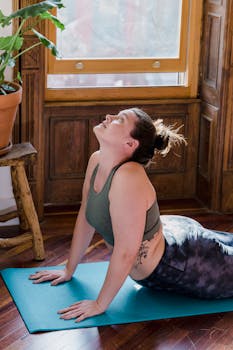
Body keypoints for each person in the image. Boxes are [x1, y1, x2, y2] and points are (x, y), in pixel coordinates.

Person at [29, 107, 233, 323]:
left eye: (119, 119)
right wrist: (68, 269)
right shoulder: (97, 160)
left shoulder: (129, 177)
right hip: (171, 237)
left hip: (184, 261)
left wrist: (100, 304)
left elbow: (126, 252)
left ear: (130, 144)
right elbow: (86, 215)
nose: (108, 116)